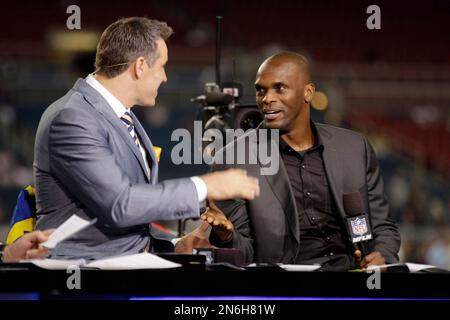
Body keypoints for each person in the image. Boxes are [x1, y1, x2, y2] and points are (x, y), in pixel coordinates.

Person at [33, 17, 259, 260]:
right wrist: (205, 186)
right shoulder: (73, 117)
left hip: (123, 269)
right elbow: (120, 204)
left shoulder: (122, 116)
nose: (165, 77)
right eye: (162, 66)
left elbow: (127, 226)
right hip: (83, 275)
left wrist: (174, 245)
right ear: (140, 66)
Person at [205, 52, 401, 270]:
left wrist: (381, 256)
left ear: (308, 93)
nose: (267, 98)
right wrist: (226, 236)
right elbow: (245, 254)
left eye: (279, 88)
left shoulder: (354, 148)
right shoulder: (233, 159)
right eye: (261, 90)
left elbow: (383, 226)